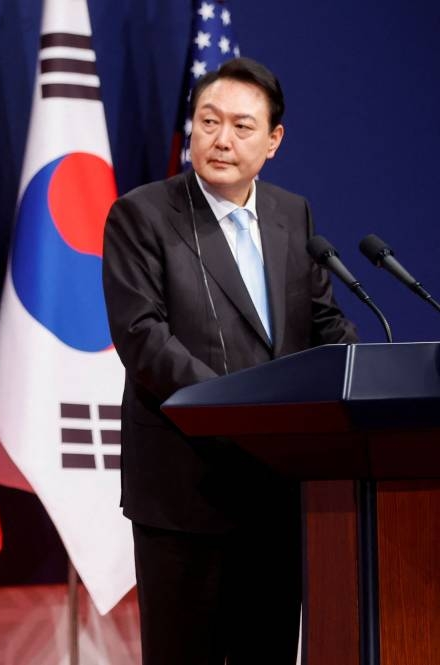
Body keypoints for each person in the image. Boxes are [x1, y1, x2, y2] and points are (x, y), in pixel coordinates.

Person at [101, 58, 357, 664]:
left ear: (274, 141)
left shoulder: (292, 216)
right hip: (188, 485)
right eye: (208, 121)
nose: (221, 139)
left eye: (242, 126)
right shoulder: (142, 215)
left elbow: (321, 321)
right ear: (189, 129)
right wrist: (241, 415)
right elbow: (144, 339)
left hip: (279, 486)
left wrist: (360, 366)